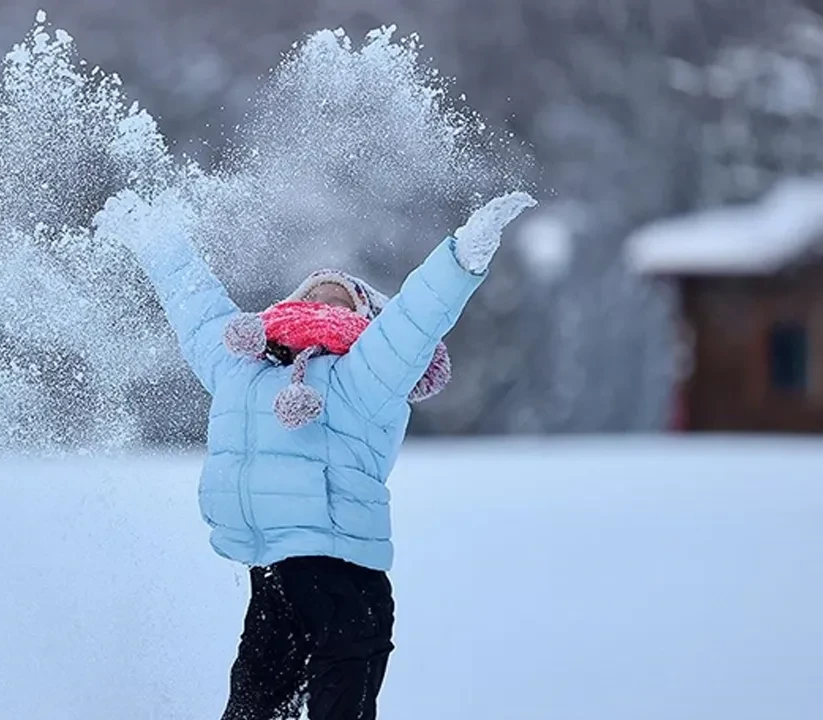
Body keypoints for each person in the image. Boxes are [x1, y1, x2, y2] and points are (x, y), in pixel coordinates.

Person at [93, 188, 535, 720]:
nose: (324, 305)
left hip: (346, 576)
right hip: (274, 572)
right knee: (254, 702)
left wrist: (461, 257)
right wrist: (156, 240)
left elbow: (414, 320)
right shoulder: (243, 367)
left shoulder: (367, 374)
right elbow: (197, 306)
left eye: (340, 300)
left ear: (367, 318)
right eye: (313, 297)